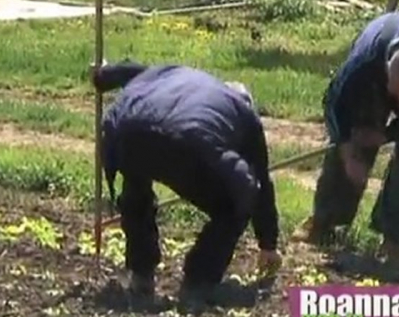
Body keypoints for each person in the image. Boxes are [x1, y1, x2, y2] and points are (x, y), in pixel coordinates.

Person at [91, 59, 282, 301]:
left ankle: (141, 275)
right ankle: (198, 281)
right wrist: (268, 244)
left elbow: (131, 71)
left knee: (136, 188)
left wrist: (101, 76)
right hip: (188, 141)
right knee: (237, 201)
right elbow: (261, 185)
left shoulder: (176, 74)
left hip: (128, 131)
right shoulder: (245, 116)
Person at [298, 12, 399, 267]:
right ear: (387, 75)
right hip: (375, 70)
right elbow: (334, 106)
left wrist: (390, 133)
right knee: (357, 135)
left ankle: (394, 238)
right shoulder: (364, 65)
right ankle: (324, 222)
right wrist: (348, 150)